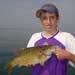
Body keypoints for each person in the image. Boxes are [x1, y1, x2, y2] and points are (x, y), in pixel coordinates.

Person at [27, 3, 75, 75]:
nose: (48, 22)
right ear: (41, 20)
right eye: (44, 18)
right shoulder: (34, 37)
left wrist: (69, 56)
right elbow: (28, 59)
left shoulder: (67, 37)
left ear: (58, 18)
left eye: (52, 17)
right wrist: (28, 62)